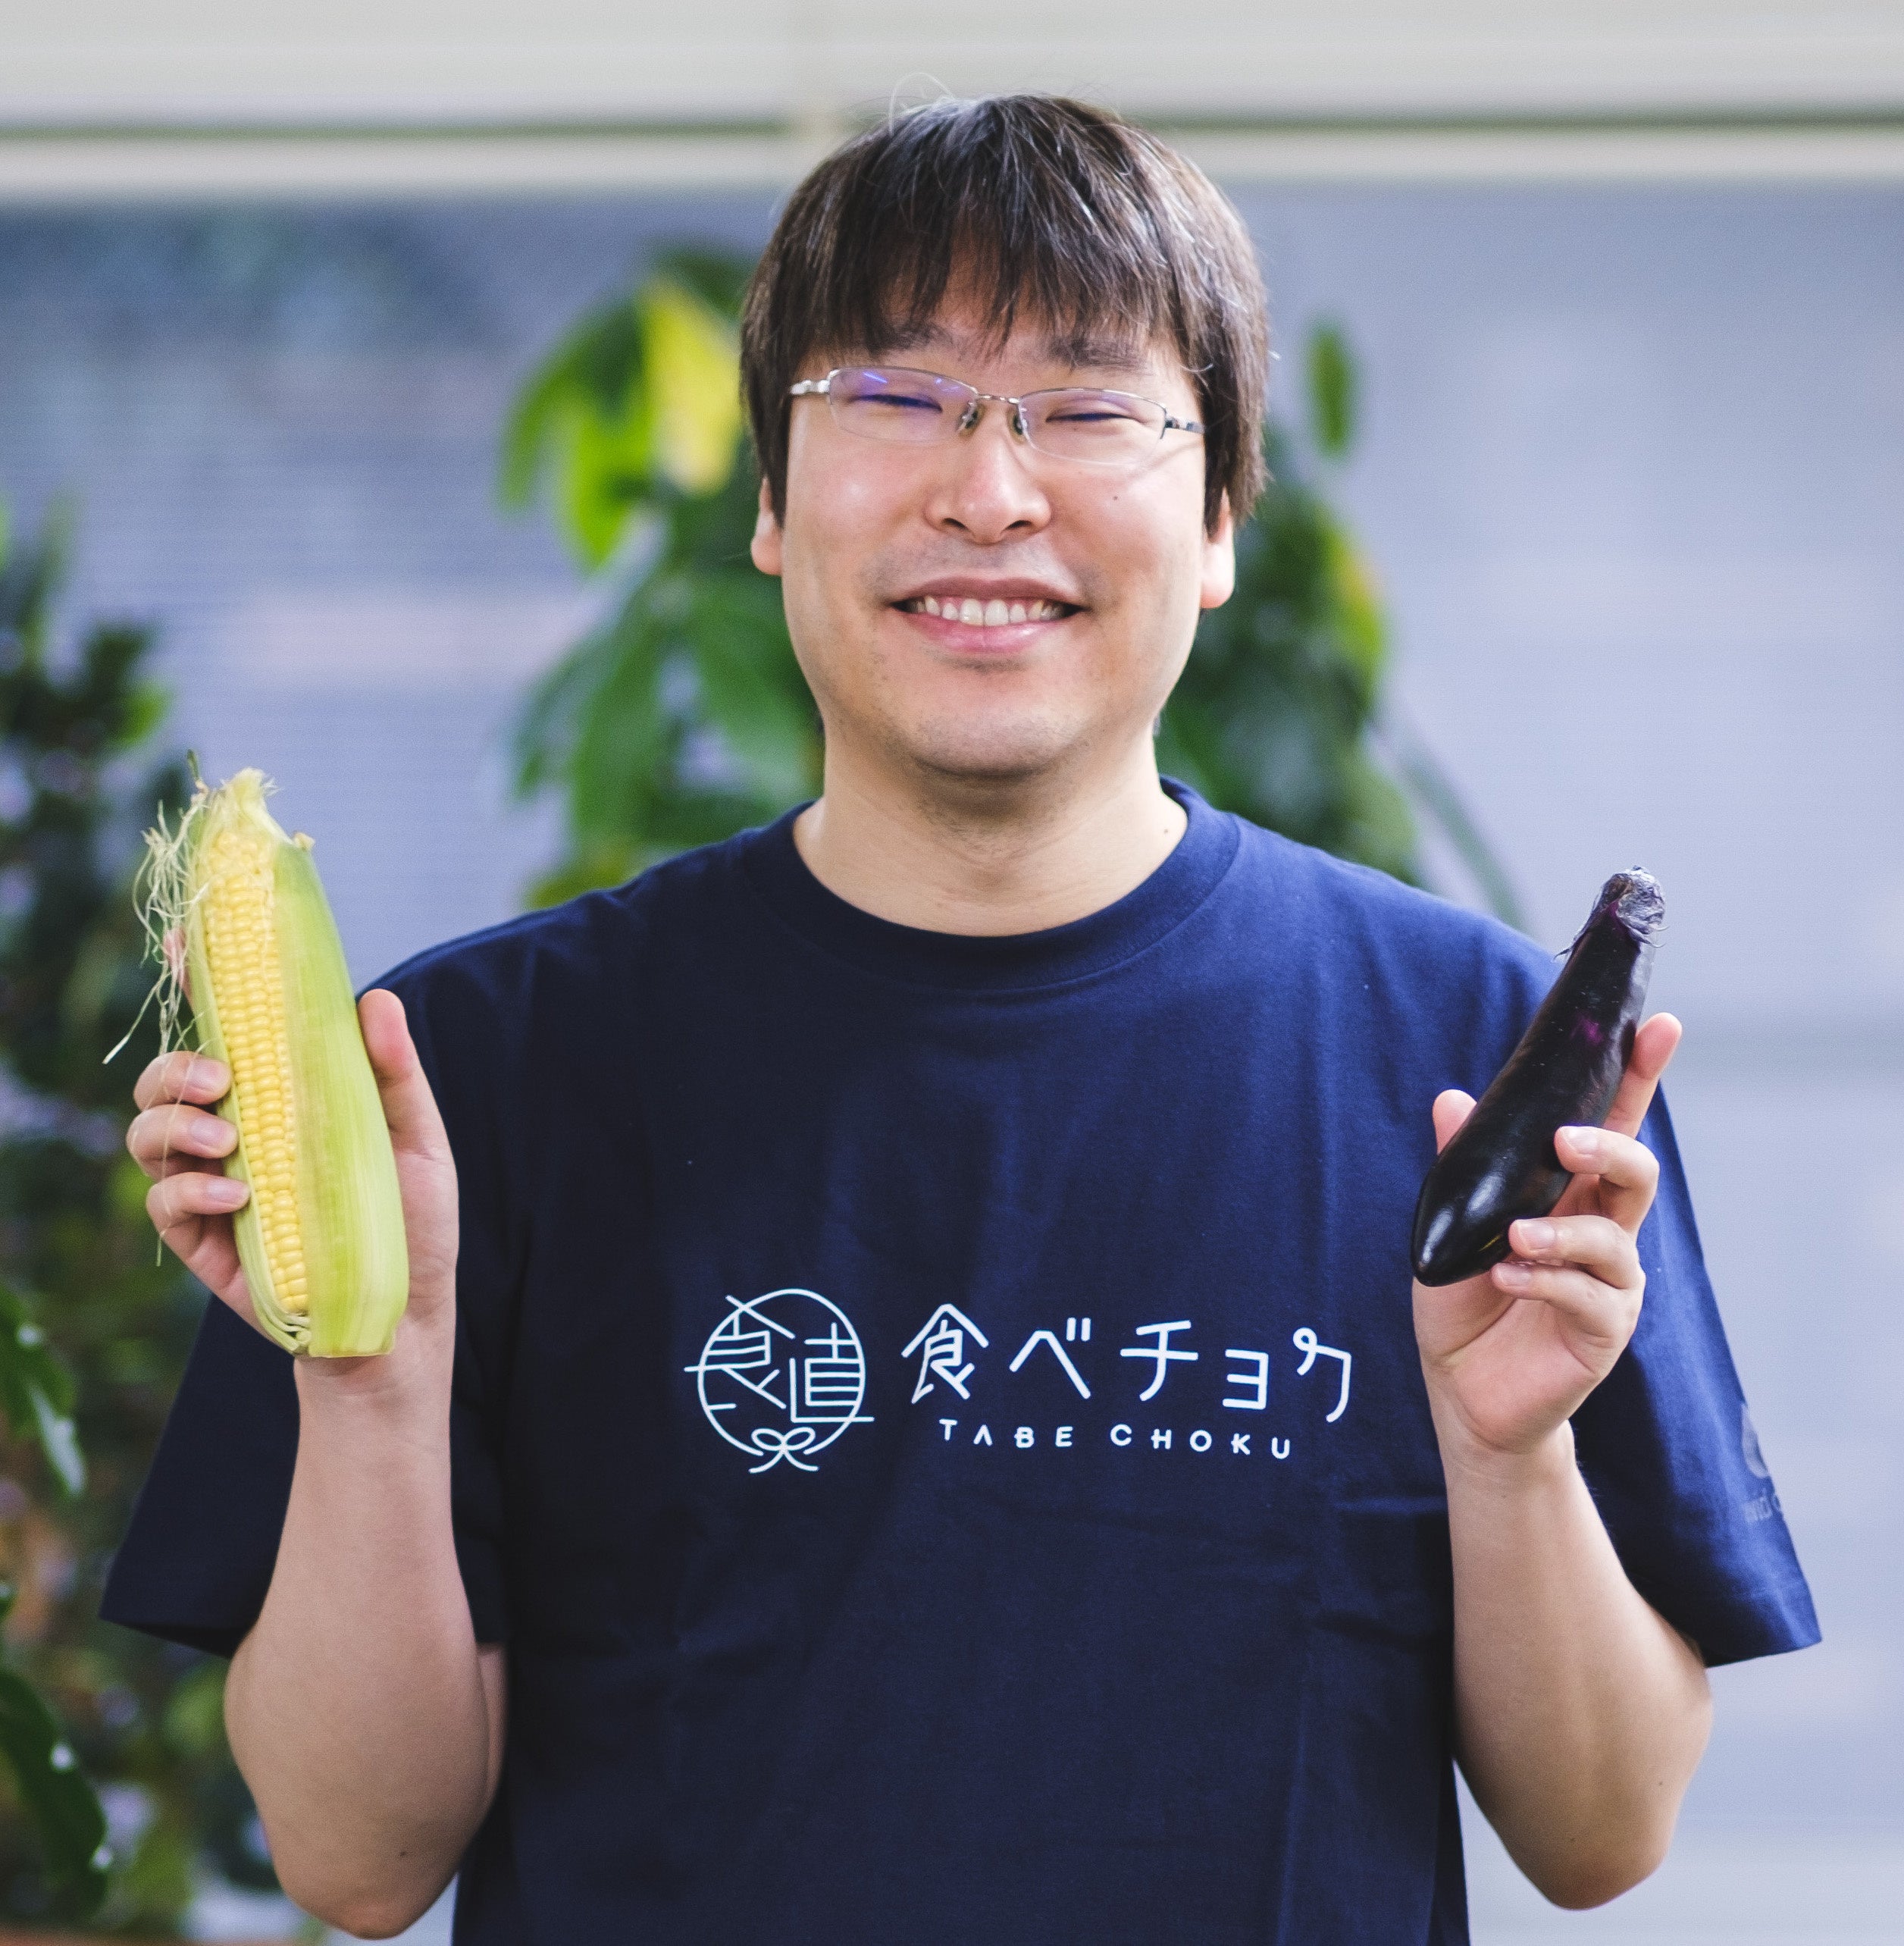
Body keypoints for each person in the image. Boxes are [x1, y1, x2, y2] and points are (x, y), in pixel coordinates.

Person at [105, 95, 1817, 1944]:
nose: (987, 493)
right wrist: (370, 1391)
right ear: (770, 502)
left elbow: (1597, 1833)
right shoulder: (464, 1076)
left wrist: (1506, 1457)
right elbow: (357, 1863)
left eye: (1085, 409)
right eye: (893, 395)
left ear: (1220, 519)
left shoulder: (1475, 1060)